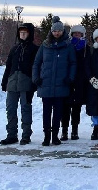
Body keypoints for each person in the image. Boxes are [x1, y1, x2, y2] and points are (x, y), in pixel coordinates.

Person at [32, 18, 76, 146]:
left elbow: (73, 63)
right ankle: (46, 136)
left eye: (59, 31)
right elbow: (37, 63)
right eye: (55, 31)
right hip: (45, 84)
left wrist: (70, 78)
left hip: (61, 85)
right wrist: (36, 78)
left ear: (63, 32)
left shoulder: (68, 46)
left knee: (58, 113)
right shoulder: (45, 45)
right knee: (46, 113)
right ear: (51, 31)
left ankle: (55, 136)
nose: (57, 33)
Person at [0, 23, 39, 145]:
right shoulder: (14, 49)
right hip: (12, 83)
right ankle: (11, 135)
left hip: (26, 84)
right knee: (10, 109)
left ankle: (26, 135)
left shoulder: (34, 49)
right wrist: (4, 81)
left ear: (30, 34)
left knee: (25, 109)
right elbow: (8, 67)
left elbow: (36, 67)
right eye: (21, 32)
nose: (22, 34)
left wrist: (34, 84)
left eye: (25, 32)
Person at [60, 24, 89, 141]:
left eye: (79, 34)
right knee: (65, 107)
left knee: (77, 107)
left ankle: (75, 130)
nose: (77, 35)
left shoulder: (86, 48)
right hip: (67, 79)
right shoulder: (67, 46)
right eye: (75, 34)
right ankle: (64, 130)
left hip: (80, 80)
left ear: (82, 35)